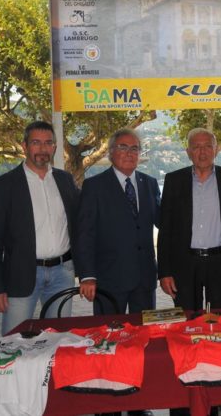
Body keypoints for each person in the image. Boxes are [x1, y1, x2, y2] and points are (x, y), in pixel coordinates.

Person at [0, 121, 79, 335]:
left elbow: (79, 224)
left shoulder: (65, 180)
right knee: (13, 341)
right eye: (36, 142)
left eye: (48, 143)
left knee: (58, 338)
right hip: (21, 273)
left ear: (54, 147)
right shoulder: (3, 185)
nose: (42, 149)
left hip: (63, 273)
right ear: (24, 146)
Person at [158, 128, 221, 312]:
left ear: (216, 150)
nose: (202, 152)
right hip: (184, 264)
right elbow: (165, 229)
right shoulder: (174, 181)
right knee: (187, 319)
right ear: (188, 152)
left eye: (207, 146)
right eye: (196, 147)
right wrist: (164, 272)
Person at [76, 128, 160, 316]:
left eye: (134, 148)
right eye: (123, 147)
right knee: (108, 331)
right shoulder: (94, 186)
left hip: (144, 279)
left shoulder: (150, 184)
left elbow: (164, 222)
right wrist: (87, 275)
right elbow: (85, 234)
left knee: (145, 329)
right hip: (109, 278)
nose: (129, 153)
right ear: (111, 152)